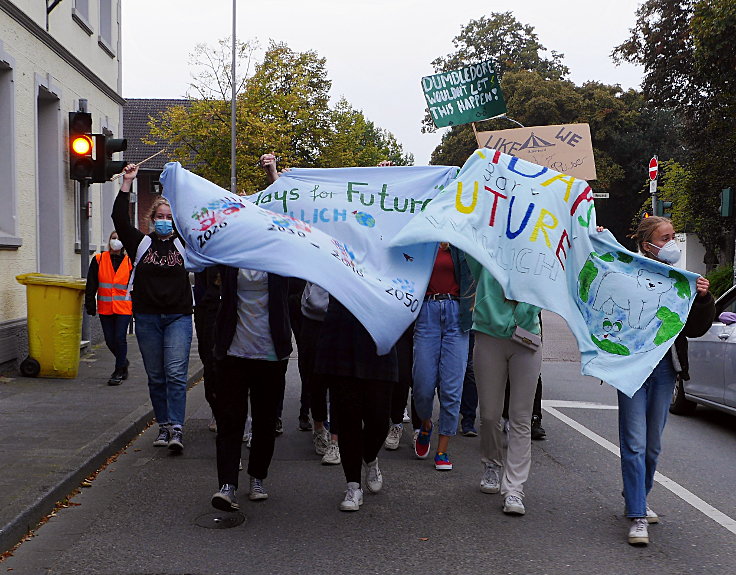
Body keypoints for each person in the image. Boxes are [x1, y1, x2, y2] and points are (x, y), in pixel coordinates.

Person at [619, 216, 714, 545]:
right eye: (666, 237)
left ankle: (638, 496)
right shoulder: (626, 273)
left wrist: (702, 299)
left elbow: (694, 328)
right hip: (631, 368)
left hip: (664, 370)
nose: (673, 242)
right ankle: (637, 514)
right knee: (634, 442)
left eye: (674, 235)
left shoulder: (681, 280)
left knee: (652, 446)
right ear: (648, 245)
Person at [112, 164, 193, 452]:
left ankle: (177, 428)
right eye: (160, 217)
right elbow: (119, 219)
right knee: (156, 376)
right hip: (147, 318)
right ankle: (163, 425)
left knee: (175, 373)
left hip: (178, 317)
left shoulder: (184, 244)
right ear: (151, 218)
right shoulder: (141, 244)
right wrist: (127, 182)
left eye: (169, 218)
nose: (164, 221)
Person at [210, 267, 292, 511]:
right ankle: (227, 485)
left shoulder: (278, 256)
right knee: (229, 420)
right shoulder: (231, 255)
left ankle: (257, 476)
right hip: (234, 351)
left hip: (270, 353)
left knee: (265, 421)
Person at [467, 255, 542, 516]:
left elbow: (546, 283)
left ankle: (514, 489)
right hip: (489, 335)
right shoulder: (486, 244)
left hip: (527, 336)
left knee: (521, 417)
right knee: (489, 415)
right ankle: (491, 464)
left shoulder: (536, 247)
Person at [315, 297, 397, 511]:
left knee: (379, 420)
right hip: (343, 334)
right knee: (348, 418)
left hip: (380, 334)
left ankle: (369, 456)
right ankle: (353, 486)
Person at [413, 243, 473, 470]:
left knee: (451, 388)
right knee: (422, 385)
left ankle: (442, 449)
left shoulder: (462, 240)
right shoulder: (423, 241)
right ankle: (426, 424)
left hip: (457, 314)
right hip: (426, 312)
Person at [85, 230, 133, 386]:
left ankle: (118, 371)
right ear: (109, 241)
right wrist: (90, 303)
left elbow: (136, 286)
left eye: (119, 238)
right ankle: (123, 361)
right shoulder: (99, 260)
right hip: (105, 307)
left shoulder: (130, 262)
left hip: (124, 307)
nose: (116, 241)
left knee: (120, 337)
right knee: (110, 340)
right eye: (113, 238)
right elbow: (91, 283)